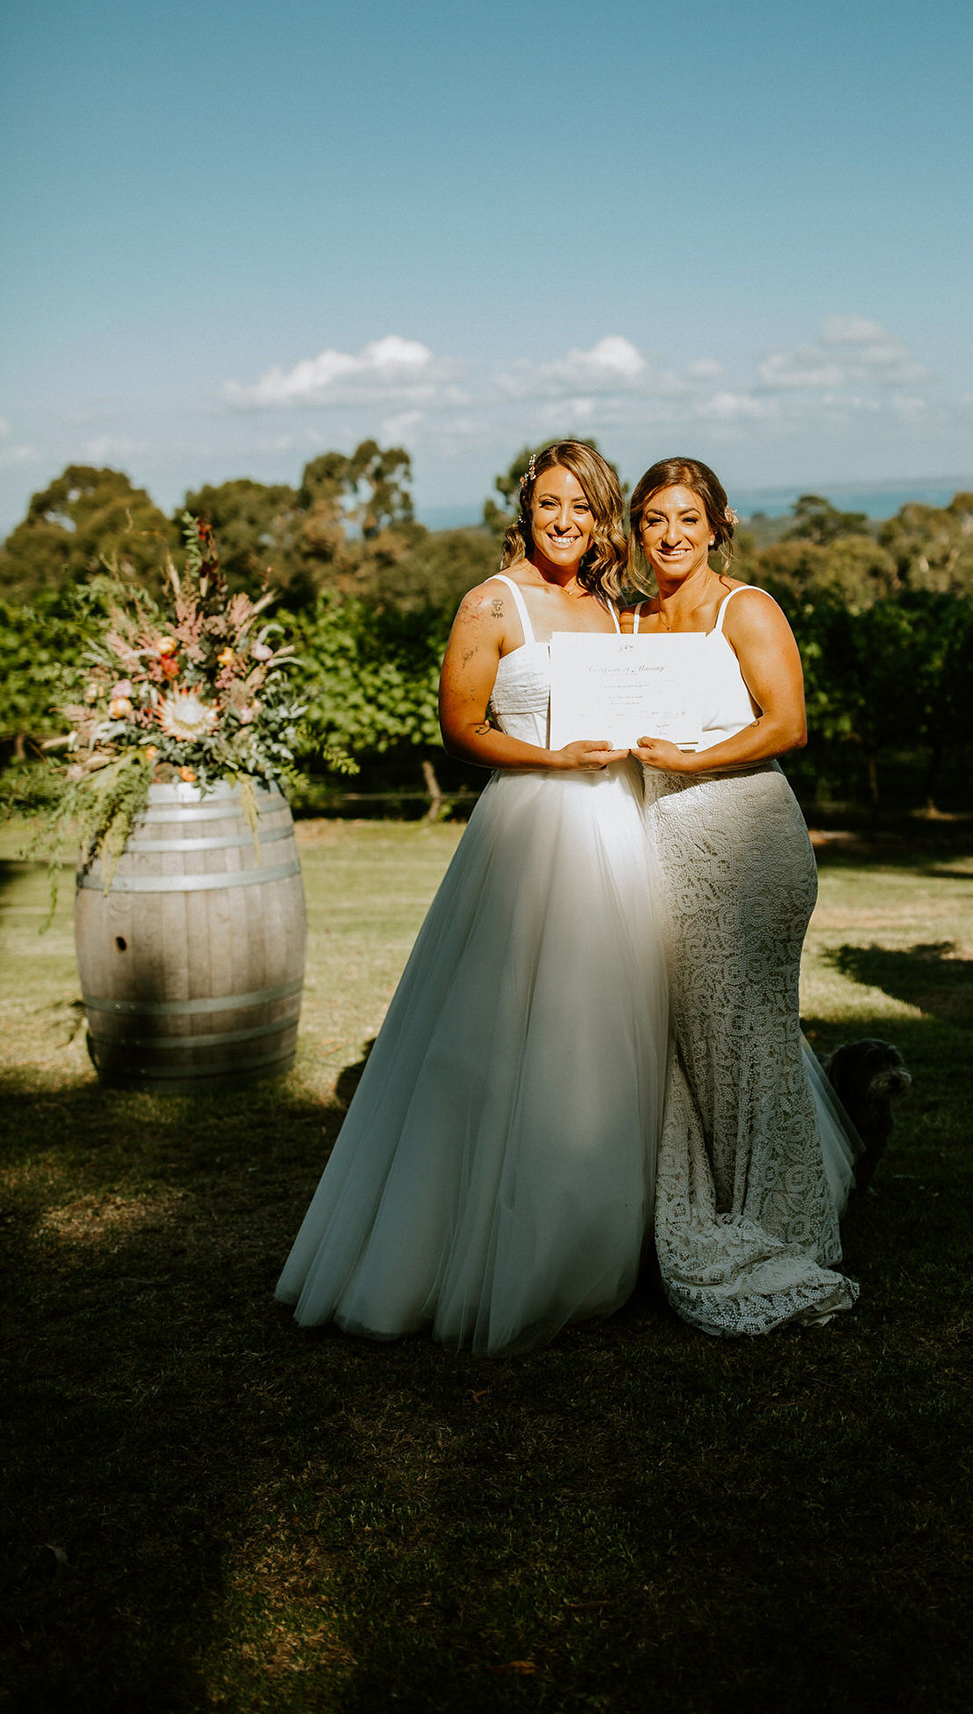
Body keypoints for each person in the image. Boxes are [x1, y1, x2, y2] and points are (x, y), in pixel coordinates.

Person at [276, 442, 668, 1356]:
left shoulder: (615, 606)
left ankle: (615, 1233)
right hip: (531, 831)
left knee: (617, 1027)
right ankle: (481, 1247)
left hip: (622, 824)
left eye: (582, 507)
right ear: (525, 512)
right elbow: (462, 728)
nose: (565, 522)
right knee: (501, 1037)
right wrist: (550, 759)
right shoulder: (491, 604)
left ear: (603, 515)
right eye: (548, 506)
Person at [625, 456, 860, 1338]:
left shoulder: (745, 607)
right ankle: (712, 1200)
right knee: (689, 1037)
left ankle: (791, 1228)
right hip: (665, 845)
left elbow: (787, 722)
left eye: (688, 518)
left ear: (718, 524)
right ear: (638, 531)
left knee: (751, 1033)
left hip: (747, 839)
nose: (671, 536)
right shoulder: (632, 621)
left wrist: (688, 760)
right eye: (654, 519)